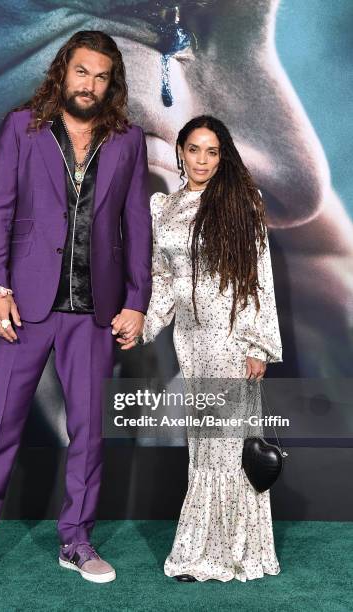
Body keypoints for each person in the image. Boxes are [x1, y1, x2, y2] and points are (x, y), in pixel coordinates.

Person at [0, 30, 152, 595]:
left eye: (101, 76)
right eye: (82, 72)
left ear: (111, 82)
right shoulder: (22, 128)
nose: (90, 84)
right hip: (25, 304)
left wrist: (137, 301)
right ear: (63, 71)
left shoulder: (128, 141)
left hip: (94, 308)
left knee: (89, 435)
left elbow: (137, 227)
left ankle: (77, 541)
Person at [119, 115, 282, 581]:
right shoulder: (164, 209)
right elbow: (165, 282)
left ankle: (227, 554)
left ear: (223, 155)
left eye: (212, 152)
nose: (202, 161)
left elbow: (259, 279)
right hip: (191, 341)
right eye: (194, 150)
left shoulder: (242, 204)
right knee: (205, 448)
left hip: (233, 338)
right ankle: (206, 552)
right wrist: (145, 326)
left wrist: (259, 345)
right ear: (181, 151)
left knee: (227, 447)